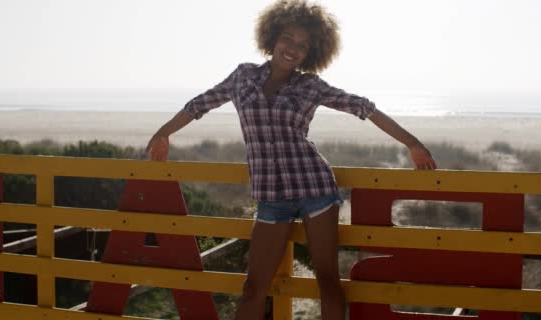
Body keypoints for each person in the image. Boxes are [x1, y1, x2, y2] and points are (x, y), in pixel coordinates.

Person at [146, 1, 437, 319]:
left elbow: (364, 108)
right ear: (272, 37)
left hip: (314, 188)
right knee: (254, 287)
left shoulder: (310, 86)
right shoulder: (242, 77)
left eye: (303, 45)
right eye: (288, 37)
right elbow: (198, 105)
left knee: (327, 280)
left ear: (310, 53)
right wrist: (163, 133)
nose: (293, 48)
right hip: (271, 196)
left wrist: (413, 144)